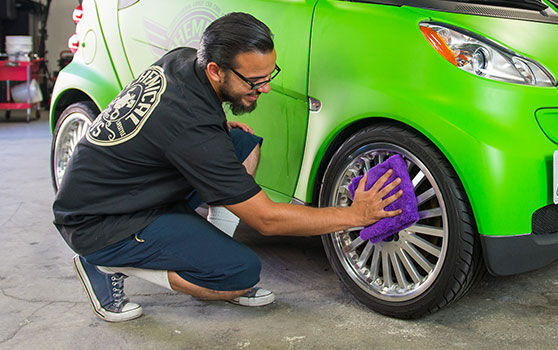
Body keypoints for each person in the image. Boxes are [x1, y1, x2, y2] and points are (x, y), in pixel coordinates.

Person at [53, 12, 403, 322]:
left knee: (243, 145)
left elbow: (171, 121)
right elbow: (266, 220)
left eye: (269, 75)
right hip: (99, 222)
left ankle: (209, 250)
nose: (264, 88)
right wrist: (354, 215)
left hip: (121, 187)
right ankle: (105, 264)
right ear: (216, 70)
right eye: (253, 81)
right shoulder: (192, 131)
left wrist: (218, 128)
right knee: (241, 273)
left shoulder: (184, 60)